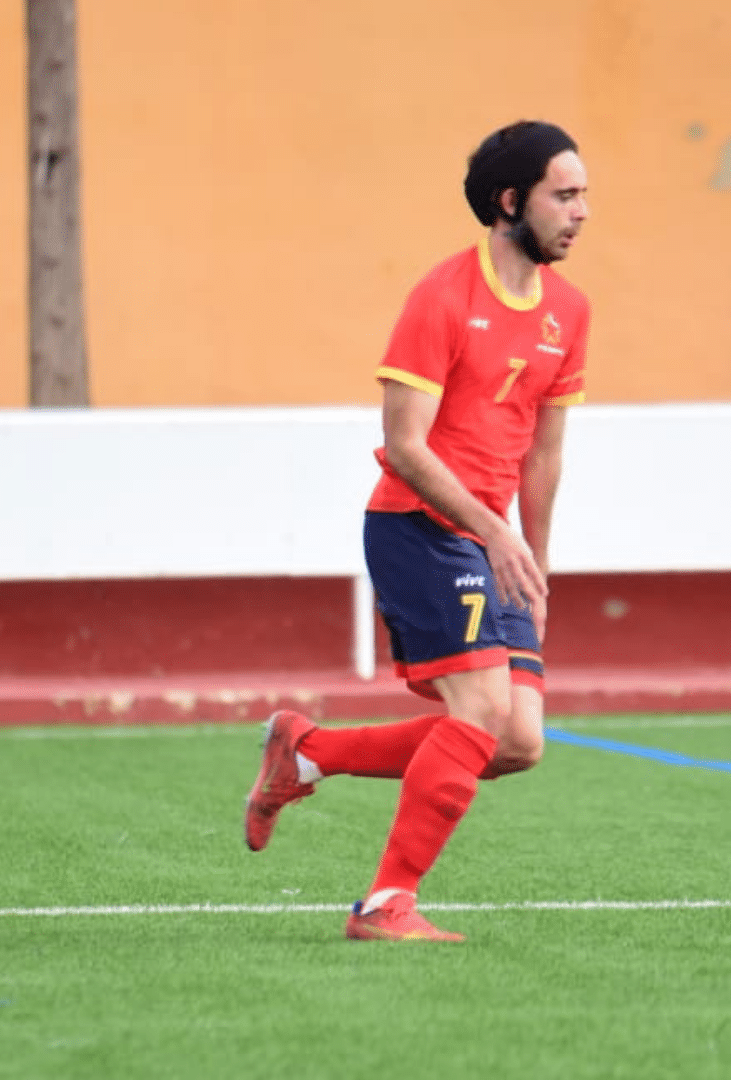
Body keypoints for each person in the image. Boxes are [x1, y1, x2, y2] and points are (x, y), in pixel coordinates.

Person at [243, 121, 592, 942]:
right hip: (419, 527)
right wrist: (492, 535)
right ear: (511, 202)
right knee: (477, 714)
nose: (582, 213)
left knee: (517, 743)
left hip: (490, 542)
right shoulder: (442, 298)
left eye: (584, 196)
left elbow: (544, 459)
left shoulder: (568, 313)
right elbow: (405, 447)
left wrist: (533, 565)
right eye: (564, 195)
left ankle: (307, 753)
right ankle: (384, 904)